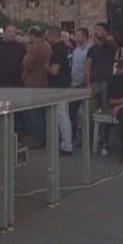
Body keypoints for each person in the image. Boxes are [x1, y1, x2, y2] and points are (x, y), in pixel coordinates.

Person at [86, 24, 117, 155]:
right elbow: (88, 66)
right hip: (94, 83)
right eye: (95, 29)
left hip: (106, 83)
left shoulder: (109, 47)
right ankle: (89, 139)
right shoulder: (92, 49)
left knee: (105, 112)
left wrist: (103, 36)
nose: (96, 31)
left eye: (99, 29)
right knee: (89, 111)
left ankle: (104, 140)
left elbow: (112, 42)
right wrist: (88, 83)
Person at [21, 27, 51, 148]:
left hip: (33, 82)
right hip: (44, 81)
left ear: (32, 35)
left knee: (35, 113)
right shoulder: (47, 46)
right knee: (43, 113)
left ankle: (37, 139)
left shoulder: (34, 47)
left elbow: (28, 65)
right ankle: (45, 137)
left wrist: (24, 59)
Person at [46, 27, 74, 155]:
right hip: (65, 85)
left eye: (48, 36)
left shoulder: (58, 51)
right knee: (64, 115)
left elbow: (55, 71)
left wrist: (47, 67)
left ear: (53, 35)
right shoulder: (64, 49)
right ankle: (65, 143)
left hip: (59, 86)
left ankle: (66, 146)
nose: (47, 39)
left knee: (62, 116)